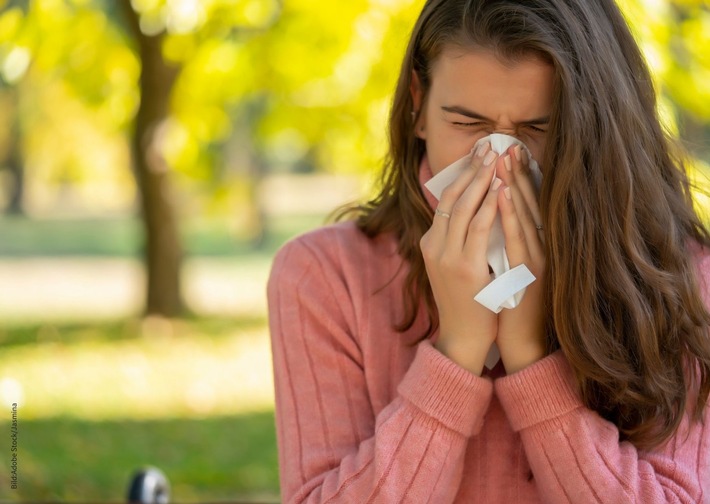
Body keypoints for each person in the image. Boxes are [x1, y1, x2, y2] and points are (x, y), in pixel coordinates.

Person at [267, 0, 710, 502]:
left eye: (538, 130)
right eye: (467, 125)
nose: (499, 163)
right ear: (418, 105)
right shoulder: (324, 277)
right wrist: (457, 353)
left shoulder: (684, 277)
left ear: (596, 131)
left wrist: (528, 357)